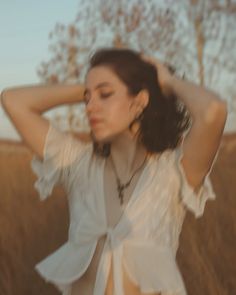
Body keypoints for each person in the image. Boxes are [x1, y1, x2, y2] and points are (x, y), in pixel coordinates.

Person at [1, 47, 227, 295]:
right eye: (87, 98)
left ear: (140, 100)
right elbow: (13, 100)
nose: (89, 107)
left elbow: (213, 111)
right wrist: (90, 87)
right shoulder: (78, 165)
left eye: (106, 94)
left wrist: (168, 82)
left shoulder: (173, 173)